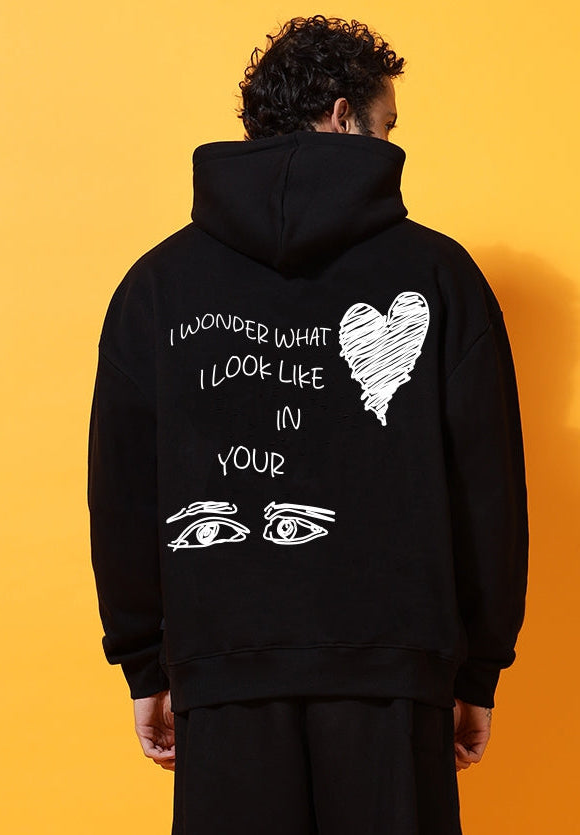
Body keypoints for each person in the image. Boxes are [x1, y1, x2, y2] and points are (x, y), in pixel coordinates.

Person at [87, 14, 529, 834]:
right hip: (395, 677)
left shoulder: (157, 286)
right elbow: (487, 489)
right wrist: (478, 670)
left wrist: (146, 664)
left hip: (223, 675)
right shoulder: (440, 274)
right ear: (340, 115)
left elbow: (122, 493)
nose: (393, 144)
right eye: (387, 125)